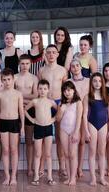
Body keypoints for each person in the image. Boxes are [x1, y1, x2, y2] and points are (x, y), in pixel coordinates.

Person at [38, 44, 68, 177]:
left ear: (57, 54)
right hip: (45, 104)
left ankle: (62, 167)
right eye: (48, 52)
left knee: (60, 137)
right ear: (46, 54)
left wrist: (62, 104)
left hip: (58, 102)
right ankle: (42, 167)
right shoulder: (41, 70)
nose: (51, 55)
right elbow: (40, 90)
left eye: (53, 52)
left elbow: (66, 89)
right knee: (45, 136)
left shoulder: (62, 70)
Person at [0, 68, 24, 186]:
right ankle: (7, 176)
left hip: (14, 123)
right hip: (3, 123)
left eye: (9, 79)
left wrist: (22, 127)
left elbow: (21, 111)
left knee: (14, 150)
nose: (7, 82)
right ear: (1, 80)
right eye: (4, 80)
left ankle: (13, 176)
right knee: (5, 150)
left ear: (13, 79)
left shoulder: (18, 94)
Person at [83, 72, 109, 186]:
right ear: (91, 83)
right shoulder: (87, 96)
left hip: (103, 125)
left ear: (103, 83)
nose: (97, 83)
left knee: (101, 152)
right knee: (92, 152)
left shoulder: (107, 97)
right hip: (92, 124)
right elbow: (85, 115)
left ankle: (101, 178)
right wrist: (86, 131)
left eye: (99, 81)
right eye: (95, 81)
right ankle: (93, 178)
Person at [25, 79, 57, 186]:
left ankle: (50, 177)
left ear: (48, 90)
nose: (42, 91)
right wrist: (32, 119)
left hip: (48, 128)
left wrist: (53, 119)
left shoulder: (51, 102)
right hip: (38, 127)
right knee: (38, 153)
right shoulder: (35, 101)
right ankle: (36, 176)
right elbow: (25, 109)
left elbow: (59, 111)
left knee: (48, 154)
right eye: (40, 89)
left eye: (45, 89)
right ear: (37, 90)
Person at [14, 54, 38, 177]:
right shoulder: (14, 77)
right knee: (15, 142)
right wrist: (21, 99)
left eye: (27, 64)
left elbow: (35, 95)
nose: (24, 66)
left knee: (29, 141)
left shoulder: (34, 78)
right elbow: (12, 94)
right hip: (16, 111)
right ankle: (15, 168)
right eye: (22, 63)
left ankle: (29, 168)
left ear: (30, 64)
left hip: (30, 110)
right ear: (19, 64)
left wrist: (20, 97)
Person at [56, 81, 82, 186]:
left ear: (73, 91)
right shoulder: (61, 104)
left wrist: (76, 132)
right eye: (65, 91)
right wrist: (61, 110)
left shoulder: (78, 102)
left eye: (69, 90)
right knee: (66, 154)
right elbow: (58, 119)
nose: (67, 92)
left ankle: (73, 178)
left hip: (73, 130)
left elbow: (79, 118)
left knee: (73, 154)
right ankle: (69, 177)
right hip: (63, 129)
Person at [69, 59, 89, 177]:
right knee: (73, 141)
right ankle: (73, 167)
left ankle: (79, 167)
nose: (75, 68)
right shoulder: (68, 82)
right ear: (70, 69)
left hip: (85, 115)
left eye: (77, 65)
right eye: (73, 66)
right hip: (72, 115)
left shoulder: (88, 81)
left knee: (82, 141)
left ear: (81, 67)